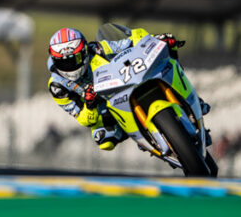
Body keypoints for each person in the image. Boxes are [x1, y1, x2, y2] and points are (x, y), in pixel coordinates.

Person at [46, 26, 205, 151]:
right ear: (54, 60)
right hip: (99, 107)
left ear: (85, 51)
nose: (69, 66)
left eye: (75, 59)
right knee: (104, 140)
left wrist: (155, 40)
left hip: (122, 84)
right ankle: (139, 136)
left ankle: (191, 99)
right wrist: (89, 104)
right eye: (63, 62)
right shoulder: (57, 86)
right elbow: (82, 119)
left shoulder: (99, 49)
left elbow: (130, 42)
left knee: (167, 55)